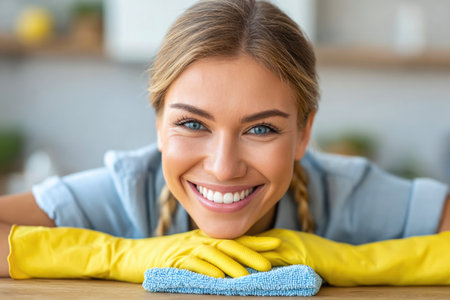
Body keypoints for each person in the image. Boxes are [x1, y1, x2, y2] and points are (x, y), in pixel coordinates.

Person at [0, 0, 449, 285]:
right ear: (159, 124)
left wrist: (351, 263)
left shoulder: (345, 192)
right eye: (193, 125)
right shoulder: (129, 190)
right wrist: (120, 255)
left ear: (303, 133)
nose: (223, 166)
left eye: (261, 129)